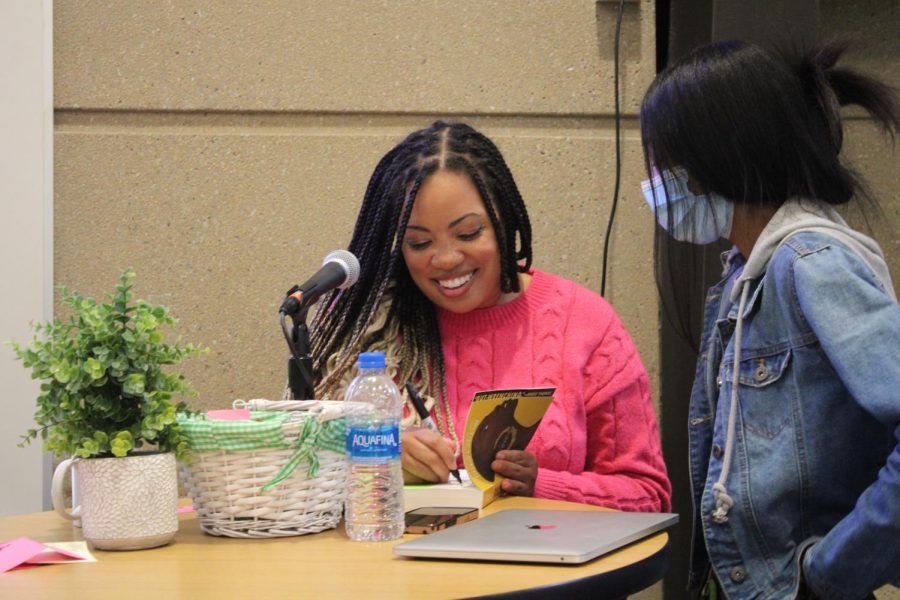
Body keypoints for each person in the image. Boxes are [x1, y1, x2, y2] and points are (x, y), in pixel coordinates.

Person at [639, 39, 900, 599]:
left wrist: (832, 571)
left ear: (715, 156)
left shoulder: (811, 265)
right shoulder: (743, 274)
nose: (656, 182)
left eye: (664, 160)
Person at [307, 120, 671, 511]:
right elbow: (298, 463)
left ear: (504, 220)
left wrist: (542, 485)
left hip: (546, 569)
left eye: (467, 234)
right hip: (393, 566)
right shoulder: (370, 325)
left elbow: (648, 495)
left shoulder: (584, 322)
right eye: (419, 242)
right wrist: (378, 451)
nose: (446, 259)